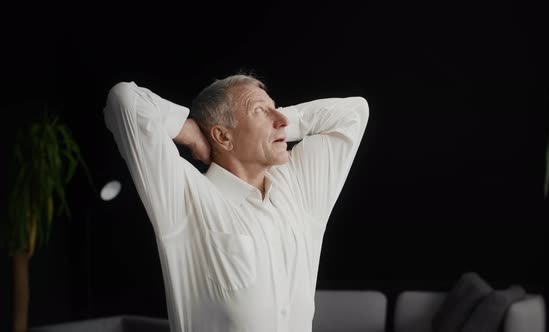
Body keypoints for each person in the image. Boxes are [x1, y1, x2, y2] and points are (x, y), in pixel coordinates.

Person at [103, 73, 369, 332]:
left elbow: (354, 111)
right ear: (223, 137)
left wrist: (282, 121)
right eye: (260, 111)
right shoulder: (185, 197)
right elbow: (124, 99)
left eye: (275, 109)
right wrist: (190, 131)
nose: (282, 120)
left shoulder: (299, 188)